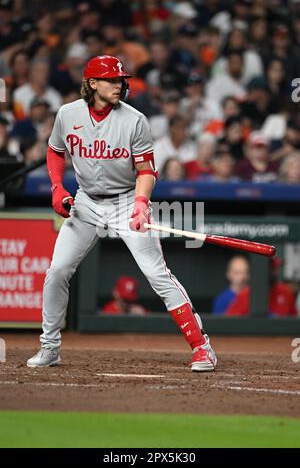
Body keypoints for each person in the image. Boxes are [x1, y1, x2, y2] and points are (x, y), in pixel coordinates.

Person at [26, 55, 217, 372]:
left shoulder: (135, 120)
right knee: (57, 271)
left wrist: (141, 203)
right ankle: (49, 347)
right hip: (86, 201)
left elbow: (146, 170)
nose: (119, 85)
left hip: (126, 200)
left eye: (120, 80)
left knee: (157, 274)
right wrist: (57, 187)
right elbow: (55, 150)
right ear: (92, 84)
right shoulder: (67, 114)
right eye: (112, 80)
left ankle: (202, 347)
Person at [226, 257, 297, 317]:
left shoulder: (286, 292)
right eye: (273, 269)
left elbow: (294, 319)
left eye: (276, 269)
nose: (276, 272)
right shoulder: (245, 294)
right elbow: (230, 323)